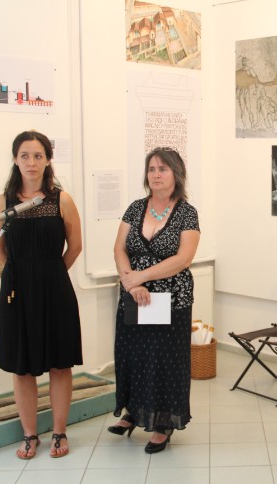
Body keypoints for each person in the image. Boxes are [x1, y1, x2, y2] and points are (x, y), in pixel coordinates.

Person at [0, 130, 83, 460]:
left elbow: (75, 246)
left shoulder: (61, 200)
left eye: (38, 156)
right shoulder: (3, 202)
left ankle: (59, 431)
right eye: (25, 155)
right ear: (15, 159)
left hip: (55, 288)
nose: (31, 162)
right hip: (16, 290)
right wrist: (23, 273)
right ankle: (30, 434)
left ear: (47, 160)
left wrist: (51, 274)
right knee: (22, 366)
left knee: (60, 363)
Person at [107, 147, 200, 454]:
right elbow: (119, 248)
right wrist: (130, 282)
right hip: (135, 296)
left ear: (176, 174)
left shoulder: (187, 213)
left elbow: (183, 259)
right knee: (134, 356)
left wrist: (140, 277)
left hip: (171, 300)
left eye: (163, 169)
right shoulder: (135, 208)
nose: (156, 175)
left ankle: (163, 423)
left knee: (165, 361)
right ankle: (134, 412)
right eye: (151, 169)